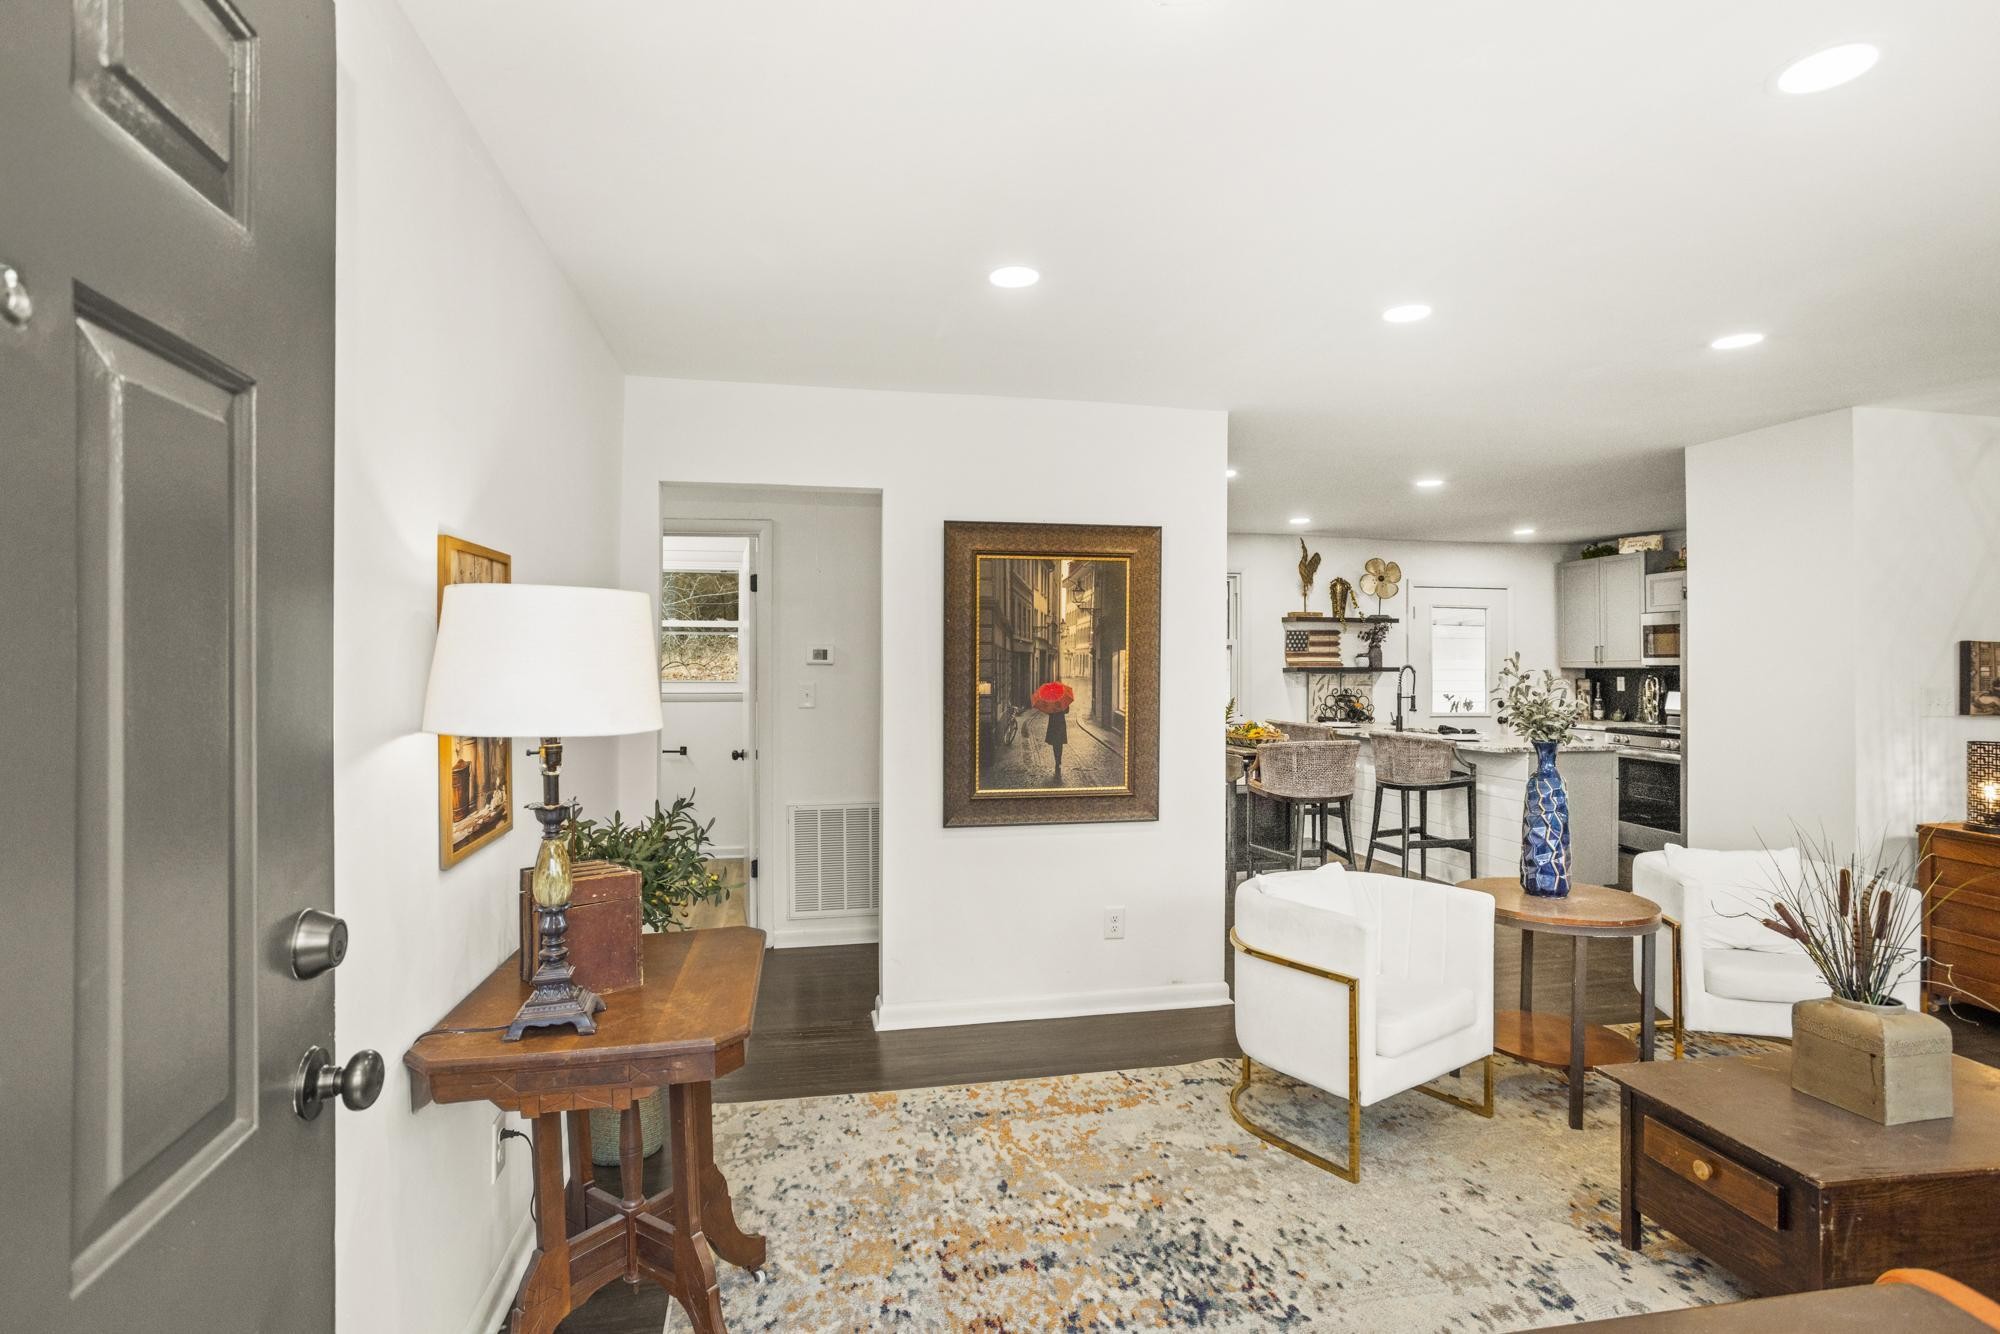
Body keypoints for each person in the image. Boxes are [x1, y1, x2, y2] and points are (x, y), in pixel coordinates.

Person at [1045, 703, 1067, 784]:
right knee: (1059, 743)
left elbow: (1047, 712)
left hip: (1053, 724)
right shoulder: (1062, 700)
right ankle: (1058, 760)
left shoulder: (1051, 701)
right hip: (1060, 723)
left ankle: (1057, 761)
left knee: (1055, 743)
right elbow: (1067, 711)